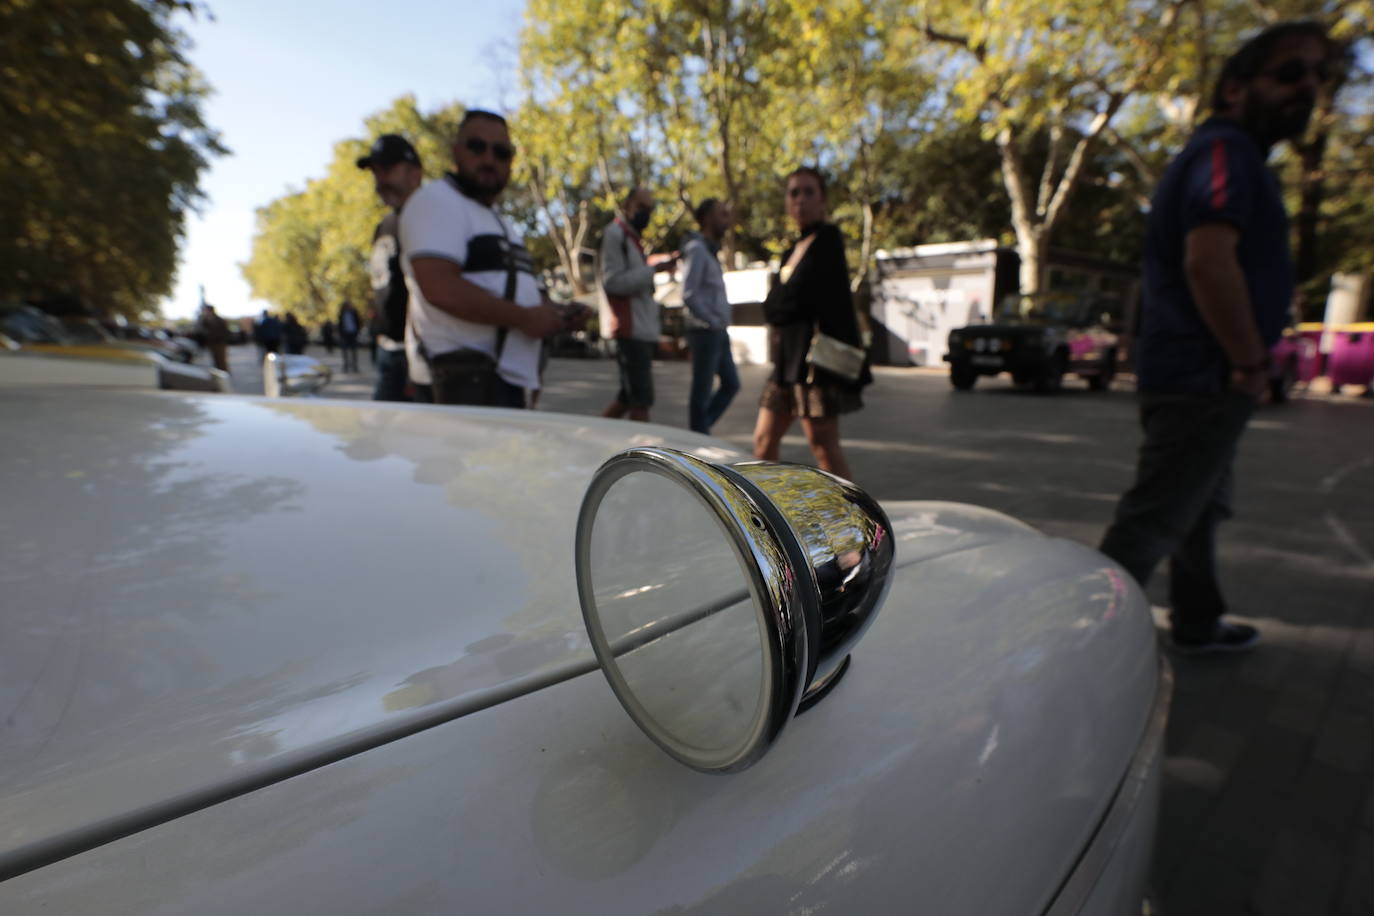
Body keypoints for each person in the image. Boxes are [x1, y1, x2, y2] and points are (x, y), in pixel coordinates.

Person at [1099, 22, 1331, 654]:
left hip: (1196, 371)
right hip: (1207, 374)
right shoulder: (1225, 153)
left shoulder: (1226, 154)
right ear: (1234, 88)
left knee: (1198, 503)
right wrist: (1249, 362)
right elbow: (1208, 261)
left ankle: (1198, 619)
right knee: (1153, 521)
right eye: (1290, 73)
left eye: (1318, 75)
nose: (1308, 87)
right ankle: (1077, 642)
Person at [398, 108, 577, 407]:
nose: (489, 159)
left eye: (501, 152)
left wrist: (552, 312)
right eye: (477, 147)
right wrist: (525, 319)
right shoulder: (435, 202)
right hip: (461, 386)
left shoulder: (495, 219)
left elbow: (505, 287)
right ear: (456, 151)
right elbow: (439, 287)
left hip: (496, 383)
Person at [753, 167, 870, 481]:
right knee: (763, 442)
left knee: (823, 447)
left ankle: (858, 523)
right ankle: (767, 516)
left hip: (815, 364)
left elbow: (797, 298)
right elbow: (775, 304)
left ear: (823, 201)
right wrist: (781, 301)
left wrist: (781, 301)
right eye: (794, 193)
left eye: (808, 192)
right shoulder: (792, 249)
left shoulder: (828, 239)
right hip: (787, 363)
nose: (800, 200)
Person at [356, 133, 426, 400]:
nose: (381, 180)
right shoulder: (384, 225)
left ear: (415, 174)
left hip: (417, 355)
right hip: (388, 351)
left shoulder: (431, 218)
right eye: (376, 173)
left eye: (388, 170)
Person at [599, 188, 678, 422]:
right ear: (627, 207)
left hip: (641, 330)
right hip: (630, 331)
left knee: (628, 397)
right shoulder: (615, 235)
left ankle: (586, 436)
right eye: (641, 207)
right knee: (640, 401)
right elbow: (612, 282)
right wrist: (652, 271)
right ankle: (642, 456)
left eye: (650, 209)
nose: (647, 214)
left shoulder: (632, 240)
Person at [681, 197, 739, 434]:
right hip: (705, 332)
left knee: (731, 384)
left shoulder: (709, 251)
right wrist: (712, 320)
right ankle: (698, 437)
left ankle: (701, 431)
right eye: (721, 214)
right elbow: (689, 293)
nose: (726, 220)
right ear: (707, 219)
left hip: (718, 332)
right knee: (702, 390)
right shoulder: (697, 250)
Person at [197, 303, 230, 373]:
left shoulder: (219, 319)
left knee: (221, 361)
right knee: (216, 360)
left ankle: (225, 375)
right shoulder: (205, 320)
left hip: (219, 343)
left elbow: (225, 331)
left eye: (205, 310)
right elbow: (200, 329)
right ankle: (219, 374)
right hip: (212, 343)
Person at [337, 300, 361, 372]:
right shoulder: (341, 314)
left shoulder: (354, 312)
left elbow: (358, 322)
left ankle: (354, 366)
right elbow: (340, 325)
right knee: (345, 351)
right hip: (345, 334)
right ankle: (346, 365)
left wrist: (357, 331)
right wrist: (340, 333)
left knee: (354, 350)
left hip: (353, 333)